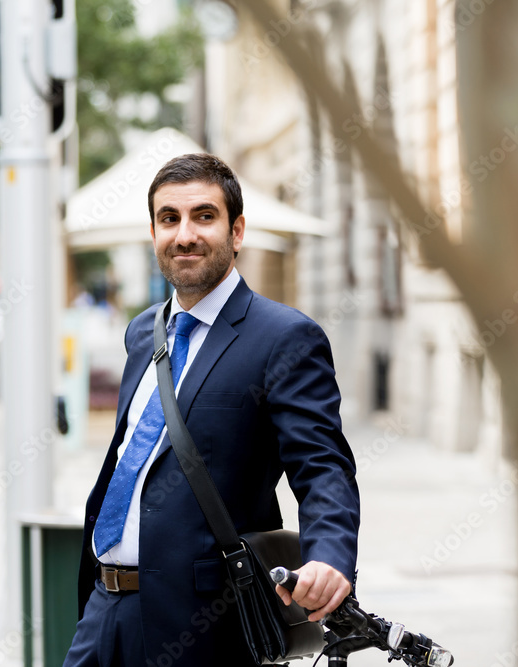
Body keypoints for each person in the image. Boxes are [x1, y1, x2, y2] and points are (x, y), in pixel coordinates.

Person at [63, 153, 361, 667]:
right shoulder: (142, 333)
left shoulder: (284, 337)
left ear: (236, 230)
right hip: (103, 610)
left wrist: (329, 557)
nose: (184, 235)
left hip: (203, 624)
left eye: (204, 216)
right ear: (153, 231)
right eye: (169, 219)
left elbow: (323, 465)